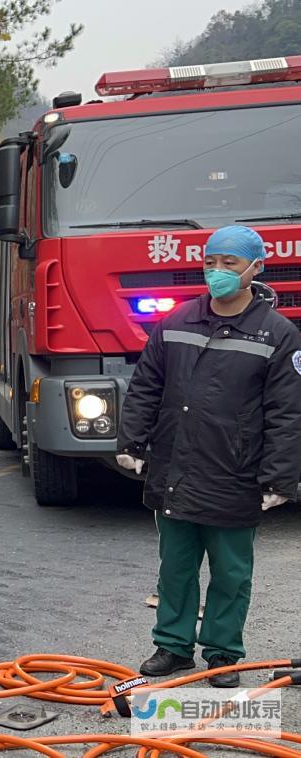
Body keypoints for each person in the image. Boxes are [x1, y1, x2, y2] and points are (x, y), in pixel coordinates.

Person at [117, 224, 301, 688]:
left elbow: (287, 412)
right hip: (176, 469)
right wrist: (132, 442)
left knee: (231, 573)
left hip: (234, 474)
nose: (217, 272)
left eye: (230, 264)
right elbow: (146, 387)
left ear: (255, 269)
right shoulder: (177, 322)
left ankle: (222, 652)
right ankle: (173, 647)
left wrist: (279, 478)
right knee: (175, 567)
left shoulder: (277, 334)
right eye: (212, 262)